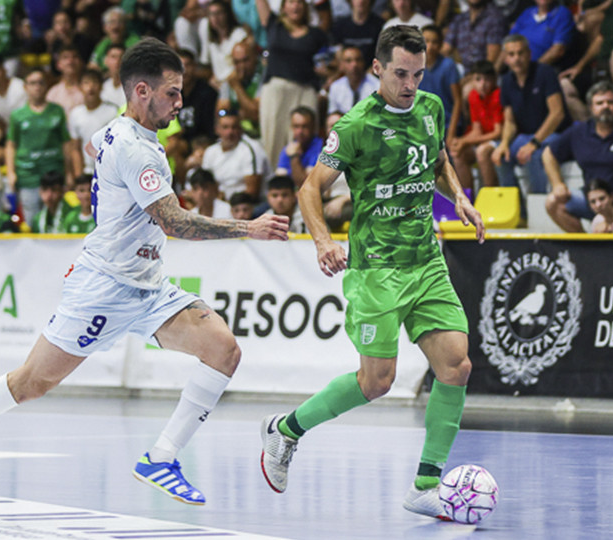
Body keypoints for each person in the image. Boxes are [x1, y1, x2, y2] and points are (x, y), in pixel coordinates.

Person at [0, 37, 290, 509]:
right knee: (31, 383)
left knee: (224, 350)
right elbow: (175, 222)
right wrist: (249, 227)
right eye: (172, 93)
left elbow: (97, 145)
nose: (181, 103)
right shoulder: (138, 150)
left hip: (147, 284)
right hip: (103, 288)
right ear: (142, 91)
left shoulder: (115, 133)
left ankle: (161, 458)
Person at [259, 25, 484, 520]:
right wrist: (323, 240)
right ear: (378, 68)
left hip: (425, 261)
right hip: (376, 271)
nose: (410, 84)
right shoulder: (357, 125)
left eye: (418, 74)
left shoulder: (430, 107)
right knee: (376, 381)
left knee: (456, 365)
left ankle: (426, 485)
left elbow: (438, 159)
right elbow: (309, 189)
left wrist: (460, 198)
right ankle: (286, 431)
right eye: (400, 74)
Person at [542, 80, 613, 232]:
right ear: (591, 108)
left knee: (604, 227)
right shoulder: (579, 132)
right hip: (590, 200)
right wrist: (557, 184)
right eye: (600, 103)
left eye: (610, 102)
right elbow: (548, 154)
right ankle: (585, 243)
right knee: (552, 202)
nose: (605, 106)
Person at [255, 0, 328, 171]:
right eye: (291, 2)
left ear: (305, 7)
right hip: (276, 89)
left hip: (305, 90)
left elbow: (328, 63)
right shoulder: (273, 24)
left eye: (299, 2)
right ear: (283, 7)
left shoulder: (316, 34)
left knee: (304, 139)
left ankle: (304, 182)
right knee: (273, 139)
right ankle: (276, 182)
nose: (295, 6)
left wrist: (326, 74)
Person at [493, 35, 567, 196]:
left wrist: (534, 142)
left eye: (520, 53)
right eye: (511, 55)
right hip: (526, 136)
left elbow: (557, 113)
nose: (517, 59)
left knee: (534, 155)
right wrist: (504, 143)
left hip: (555, 134)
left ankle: (538, 204)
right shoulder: (506, 81)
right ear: (505, 59)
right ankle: (516, 209)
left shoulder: (545, 72)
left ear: (529, 54)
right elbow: (510, 121)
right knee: (500, 157)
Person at [6, 68, 72, 223]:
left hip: (54, 173)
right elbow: (11, 145)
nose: (37, 86)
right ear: (25, 87)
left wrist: (69, 173)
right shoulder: (17, 115)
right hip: (28, 175)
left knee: (57, 220)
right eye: (32, 83)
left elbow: (66, 143)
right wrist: (10, 172)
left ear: (47, 85)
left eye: (41, 82)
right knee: (33, 221)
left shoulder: (57, 111)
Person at [450, 60, 502, 189]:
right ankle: (468, 201)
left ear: (495, 80)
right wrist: (461, 141)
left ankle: (490, 199)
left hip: (501, 140)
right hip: (485, 138)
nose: (482, 84)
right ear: (471, 81)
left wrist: (466, 142)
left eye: (487, 80)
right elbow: (477, 130)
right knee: (458, 153)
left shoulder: (498, 95)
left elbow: (497, 133)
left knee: (482, 151)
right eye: (478, 80)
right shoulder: (473, 96)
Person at [202, 108, 268, 199]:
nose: (230, 132)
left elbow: (252, 191)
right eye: (225, 127)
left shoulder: (251, 149)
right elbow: (206, 183)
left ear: (240, 129)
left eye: (234, 127)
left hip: (248, 204)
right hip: (220, 202)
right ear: (217, 130)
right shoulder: (210, 151)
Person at [70, 69, 118, 178]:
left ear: (101, 87)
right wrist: (78, 176)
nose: (90, 87)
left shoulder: (113, 111)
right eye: (86, 83)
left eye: (95, 82)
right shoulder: (75, 113)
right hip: (87, 171)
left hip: (109, 171)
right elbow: (75, 148)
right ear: (80, 87)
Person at [419, 25, 461, 148]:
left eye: (435, 42)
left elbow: (457, 100)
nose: (430, 46)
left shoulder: (448, 66)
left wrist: (451, 133)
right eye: (426, 41)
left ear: (441, 44)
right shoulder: (414, 67)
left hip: (447, 125)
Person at [441, 0, 505, 69]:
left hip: (484, 73)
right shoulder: (460, 19)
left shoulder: (494, 18)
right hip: (462, 71)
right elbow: (446, 49)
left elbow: (492, 58)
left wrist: (473, 76)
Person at [509, 0, 576, 66]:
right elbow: (508, 43)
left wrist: (532, 71)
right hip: (516, 67)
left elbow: (558, 50)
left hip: (542, 70)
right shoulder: (527, 12)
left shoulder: (562, 14)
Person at [219, 41, 263, 138]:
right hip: (235, 136)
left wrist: (237, 87)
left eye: (245, 60)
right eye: (237, 62)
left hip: (260, 136)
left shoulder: (264, 77)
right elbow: (221, 113)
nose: (241, 66)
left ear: (255, 57)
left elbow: (255, 114)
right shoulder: (230, 79)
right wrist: (241, 113)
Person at [199, 0, 248, 85]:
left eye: (219, 13)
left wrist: (224, 84)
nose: (215, 17)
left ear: (227, 14)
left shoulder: (239, 35)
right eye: (211, 14)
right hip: (219, 85)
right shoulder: (212, 42)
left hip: (237, 83)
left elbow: (242, 67)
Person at [176, 49, 219, 143]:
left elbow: (209, 130)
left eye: (187, 65)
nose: (184, 71)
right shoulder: (173, 94)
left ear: (195, 66)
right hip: (182, 141)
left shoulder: (207, 93)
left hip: (203, 142)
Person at [275, 106, 323, 187]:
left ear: (313, 127)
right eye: (296, 126)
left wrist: (294, 157)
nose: (300, 131)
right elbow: (280, 184)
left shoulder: (321, 147)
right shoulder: (288, 148)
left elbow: (305, 184)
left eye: (304, 126)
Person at [327, 45, 378, 115]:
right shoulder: (335, 87)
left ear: (363, 62)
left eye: (358, 60)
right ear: (342, 65)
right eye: (348, 61)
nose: (354, 64)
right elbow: (333, 115)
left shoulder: (377, 86)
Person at [331, 0, 384, 66]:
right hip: (347, 70)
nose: (361, 1)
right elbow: (338, 53)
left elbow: (381, 55)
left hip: (372, 70)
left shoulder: (380, 25)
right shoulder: (339, 26)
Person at [47, 46, 86, 116]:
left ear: (81, 63)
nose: (70, 61)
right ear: (58, 65)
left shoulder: (90, 90)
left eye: (75, 57)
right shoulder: (53, 93)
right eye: (65, 57)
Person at [100, 43, 127, 109]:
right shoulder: (102, 87)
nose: (117, 61)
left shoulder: (133, 87)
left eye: (121, 57)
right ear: (106, 61)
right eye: (113, 57)